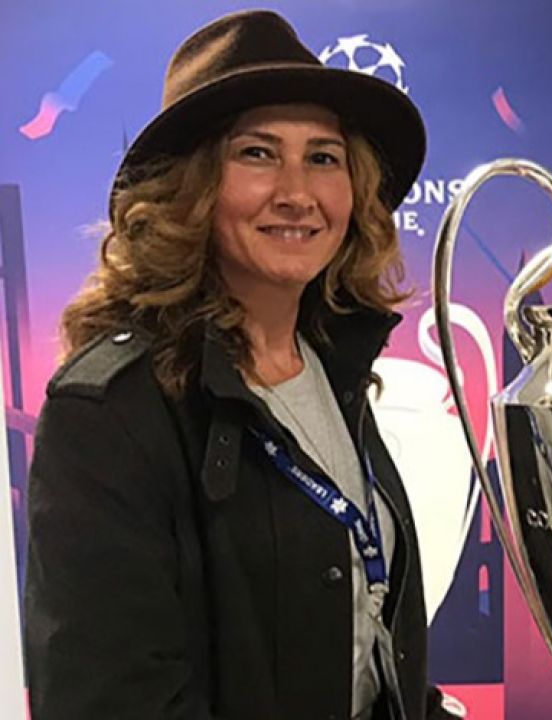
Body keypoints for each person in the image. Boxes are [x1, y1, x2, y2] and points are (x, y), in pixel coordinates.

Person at [22, 10, 462, 719]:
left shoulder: (332, 367)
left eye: (324, 157)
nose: (297, 192)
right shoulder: (109, 413)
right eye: (257, 153)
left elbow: (369, 645)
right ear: (190, 189)